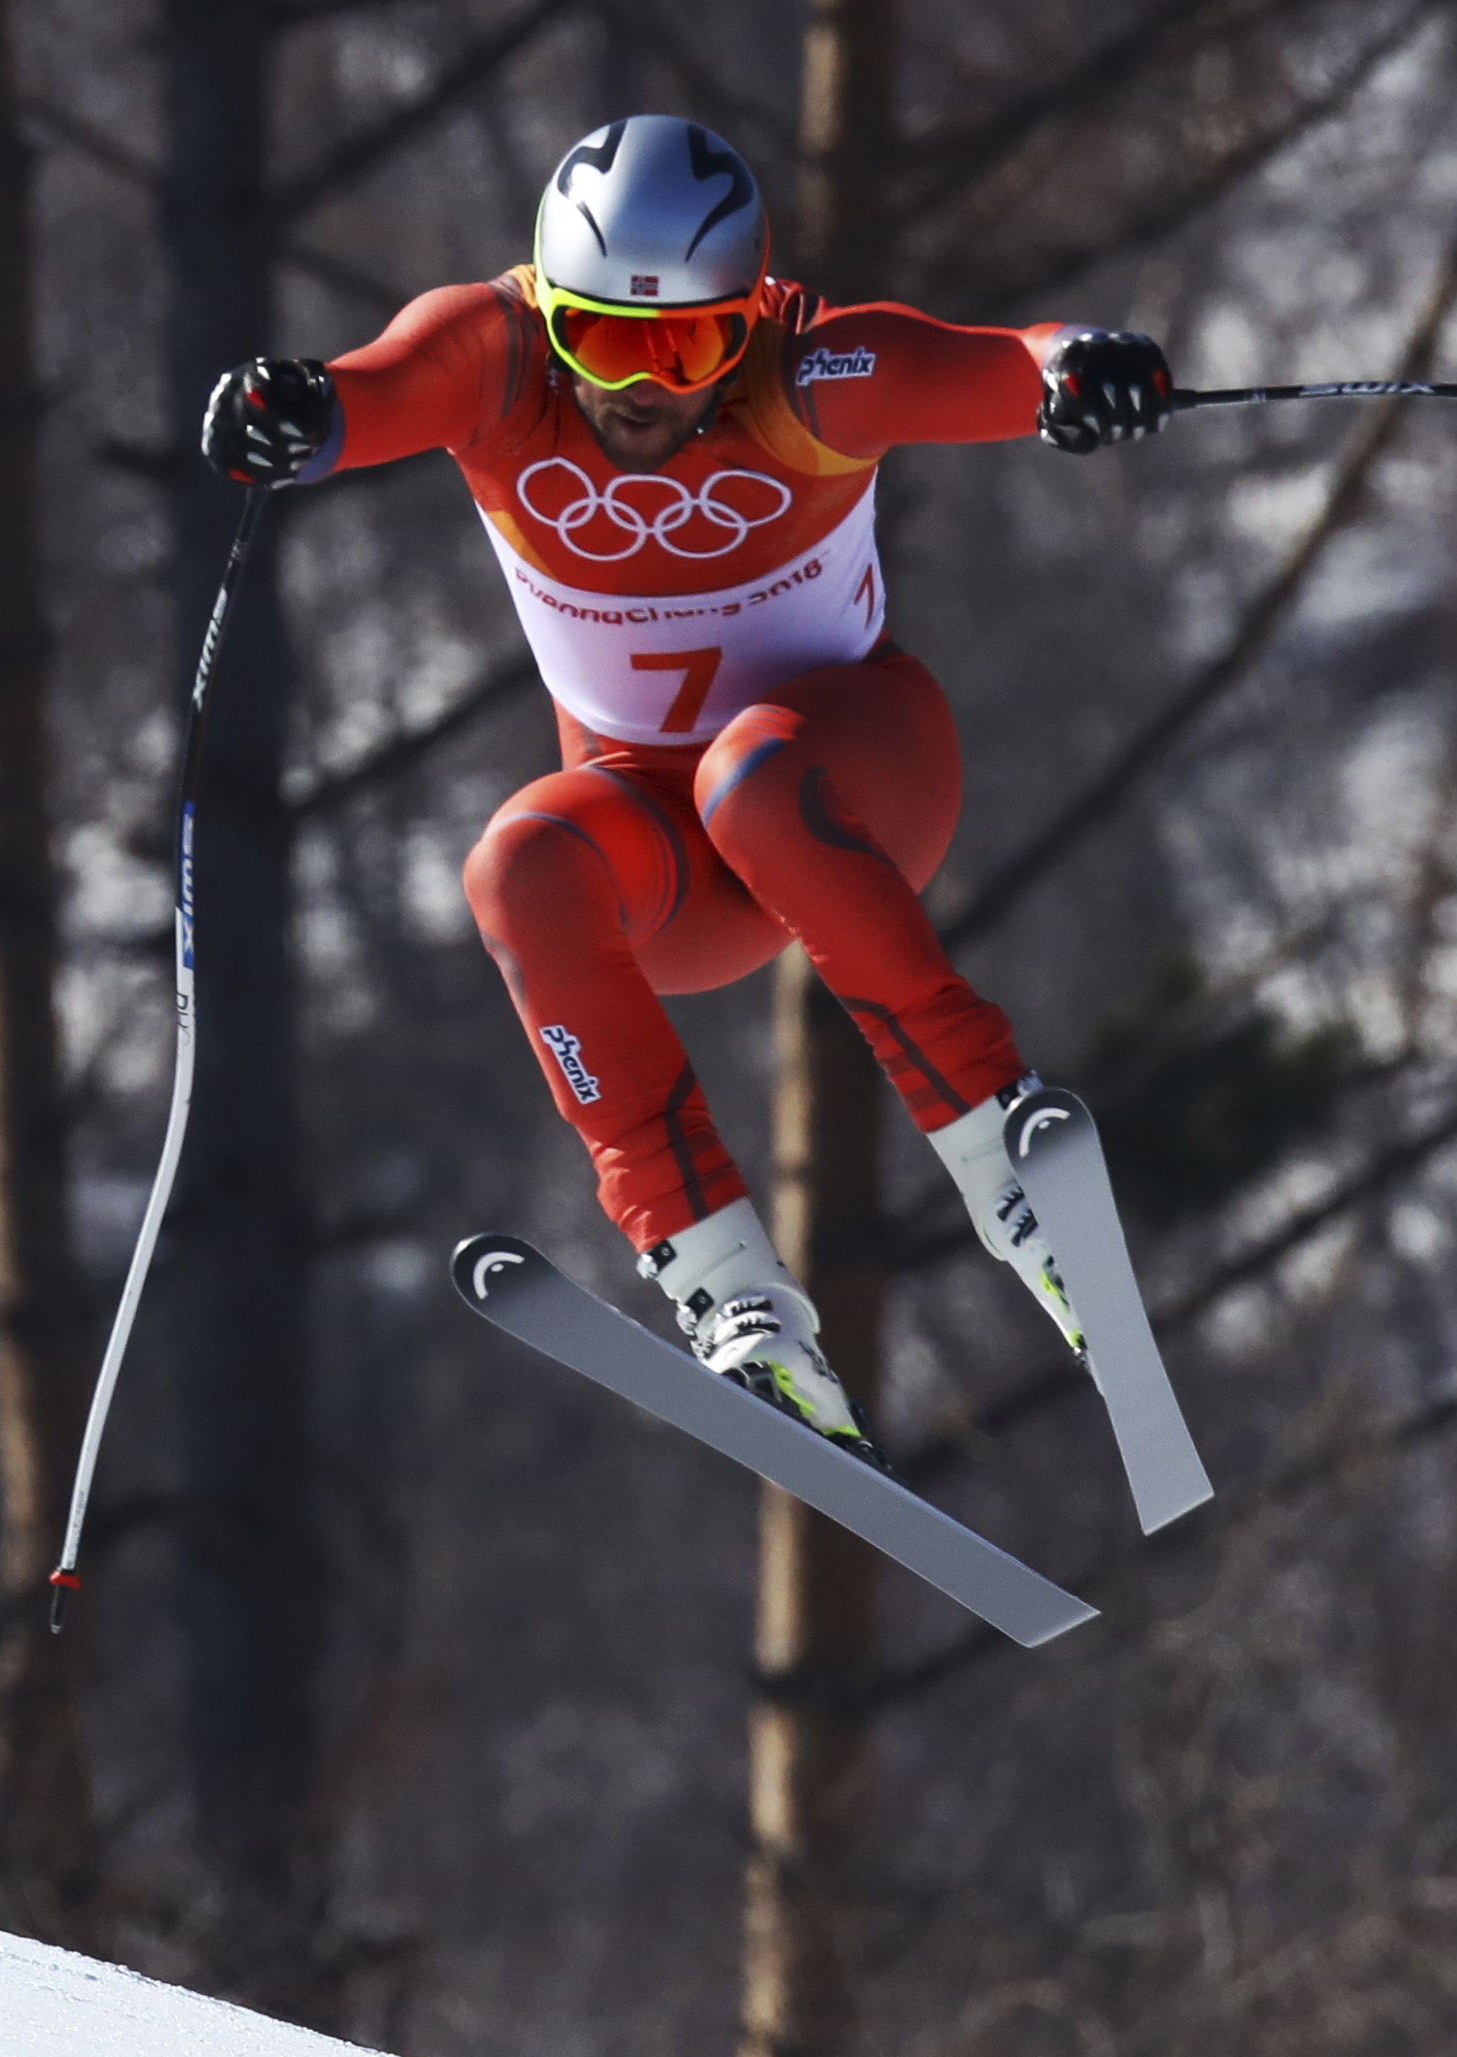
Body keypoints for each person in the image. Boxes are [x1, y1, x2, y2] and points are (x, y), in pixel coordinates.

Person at [199, 114, 1170, 1459]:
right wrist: (295, 412)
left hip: (853, 783)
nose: (639, 388)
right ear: (549, 318)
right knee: (516, 868)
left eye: (687, 346)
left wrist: (1080, 372)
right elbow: (374, 390)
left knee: (749, 774)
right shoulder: (493, 362)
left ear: (751, 315)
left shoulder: (811, 373)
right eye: (601, 338)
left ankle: (1011, 1173)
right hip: (672, 862)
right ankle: (728, 1291)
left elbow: (996, 363)